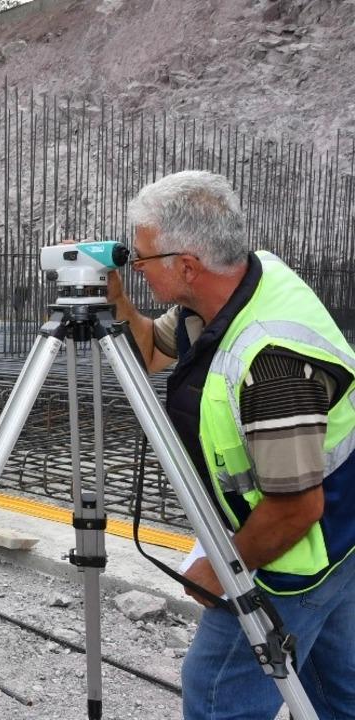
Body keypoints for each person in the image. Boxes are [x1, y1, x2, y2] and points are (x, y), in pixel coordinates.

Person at [108, 170, 355, 720]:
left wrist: (221, 570)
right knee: (334, 694)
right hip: (341, 540)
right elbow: (150, 351)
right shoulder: (231, 291)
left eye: (142, 260)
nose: (137, 267)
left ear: (187, 266)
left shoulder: (272, 362)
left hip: (300, 553)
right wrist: (116, 298)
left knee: (219, 693)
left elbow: (296, 508)